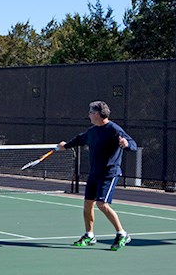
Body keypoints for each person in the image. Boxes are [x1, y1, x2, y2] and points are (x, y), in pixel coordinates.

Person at [57, 100, 137, 251]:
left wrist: (126, 144)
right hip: (94, 173)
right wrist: (65, 146)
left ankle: (122, 234)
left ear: (98, 114)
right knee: (88, 204)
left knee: (102, 204)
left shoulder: (114, 129)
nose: (88, 115)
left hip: (109, 173)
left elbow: (132, 143)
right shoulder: (92, 131)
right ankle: (89, 235)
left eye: (91, 112)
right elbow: (80, 139)